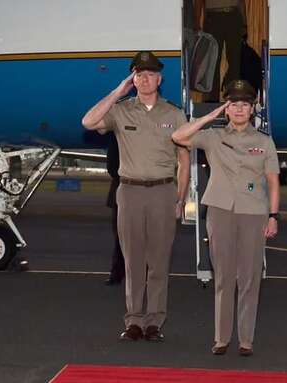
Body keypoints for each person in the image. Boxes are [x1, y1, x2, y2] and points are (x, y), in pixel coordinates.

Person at [82, 51, 190, 342]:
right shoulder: (121, 110)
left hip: (163, 192)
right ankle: (133, 320)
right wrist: (119, 90)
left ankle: (154, 321)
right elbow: (88, 122)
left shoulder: (174, 113)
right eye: (138, 75)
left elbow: (184, 158)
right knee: (133, 260)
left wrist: (180, 199)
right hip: (129, 192)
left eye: (150, 74)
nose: (144, 79)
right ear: (133, 78)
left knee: (158, 260)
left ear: (160, 78)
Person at [172, 79, 280, 356]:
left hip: (254, 212)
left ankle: (246, 340)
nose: (240, 109)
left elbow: (273, 181)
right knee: (223, 277)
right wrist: (208, 117)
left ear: (252, 108)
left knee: (250, 277)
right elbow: (178, 137)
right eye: (234, 105)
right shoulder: (213, 136)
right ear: (227, 109)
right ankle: (221, 338)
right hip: (220, 211)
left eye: (245, 104)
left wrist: (273, 216)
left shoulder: (264, 142)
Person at [195, 0, 247, 101]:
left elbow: (241, 1)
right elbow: (199, 2)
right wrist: (196, 23)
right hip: (213, 17)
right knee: (212, 62)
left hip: (234, 16)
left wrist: (244, 23)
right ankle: (211, 101)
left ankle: (233, 97)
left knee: (235, 61)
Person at [104, 132, 125, 286]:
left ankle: (117, 274)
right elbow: (111, 165)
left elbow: (111, 166)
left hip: (121, 189)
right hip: (122, 191)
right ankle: (118, 273)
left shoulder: (116, 134)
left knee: (121, 238)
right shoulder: (117, 135)